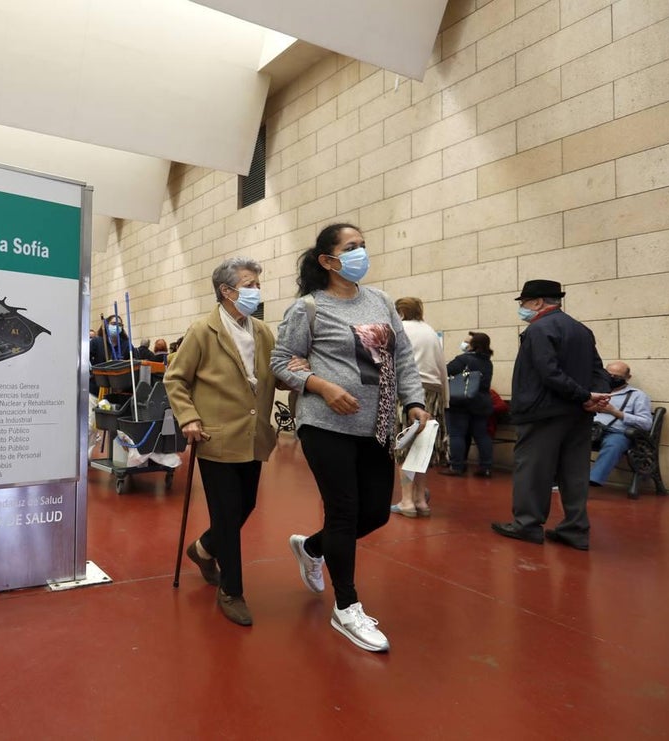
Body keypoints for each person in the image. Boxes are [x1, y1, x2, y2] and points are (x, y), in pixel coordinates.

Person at [272, 223, 430, 652]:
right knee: (343, 511)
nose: (361, 253)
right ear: (327, 260)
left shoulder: (378, 300)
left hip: (376, 423)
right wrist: (322, 386)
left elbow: (401, 357)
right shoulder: (307, 308)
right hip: (325, 423)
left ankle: (311, 547)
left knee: (376, 513)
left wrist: (413, 400)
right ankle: (347, 607)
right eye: (351, 247)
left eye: (363, 246)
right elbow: (282, 362)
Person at [165, 256, 279, 627]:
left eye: (258, 285)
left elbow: (271, 375)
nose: (256, 291)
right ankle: (232, 590)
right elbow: (176, 379)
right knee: (227, 514)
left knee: (246, 504)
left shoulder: (262, 331)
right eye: (249, 285)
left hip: (253, 435)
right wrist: (189, 417)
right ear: (226, 291)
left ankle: (202, 548)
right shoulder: (203, 330)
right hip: (214, 436)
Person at [491, 279, 610, 551]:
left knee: (533, 471)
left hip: (543, 413)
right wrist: (594, 397)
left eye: (523, 303)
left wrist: (583, 396)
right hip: (578, 414)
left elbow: (549, 372)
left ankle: (527, 525)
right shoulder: (581, 330)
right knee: (575, 473)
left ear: (537, 302)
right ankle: (576, 530)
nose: (522, 308)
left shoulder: (538, 330)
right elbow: (598, 370)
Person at [390, 297, 447, 517]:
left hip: (407, 394)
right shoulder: (430, 331)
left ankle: (406, 501)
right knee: (423, 449)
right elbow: (442, 368)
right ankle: (420, 500)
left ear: (400, 313)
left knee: (404, 445)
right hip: (434, 393)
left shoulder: (399, 329)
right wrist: (445, 401)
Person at [441, 332, 495, 477]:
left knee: (457, 434)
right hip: (481, 403)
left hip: (461, 402)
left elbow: (444, 372)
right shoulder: (487, 362)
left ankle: (457, 466)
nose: (464, 344)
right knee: (482, 435)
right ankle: (486, 467)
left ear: (474, 345)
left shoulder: (463, 360)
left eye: (466, 342)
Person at [590, 361, 652, 487]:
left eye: (617, 377)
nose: (612, 379)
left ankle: (593, 480)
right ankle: (559, 478)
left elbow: (646, 423)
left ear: (627, 378)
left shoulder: (637, 396)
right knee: (565, 439)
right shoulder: (594, 391)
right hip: (591, 429)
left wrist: (615, 412)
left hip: (617, 432)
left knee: (613, 444)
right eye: (609, 375)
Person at [88, 315, 137, 395]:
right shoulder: (96, 342)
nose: (117, 327)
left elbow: (134, 362)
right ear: (106, 325)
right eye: (114, 324)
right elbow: (85, 358)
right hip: (96, 389)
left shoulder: (126, 344)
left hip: (118, 390)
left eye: (120, 325)